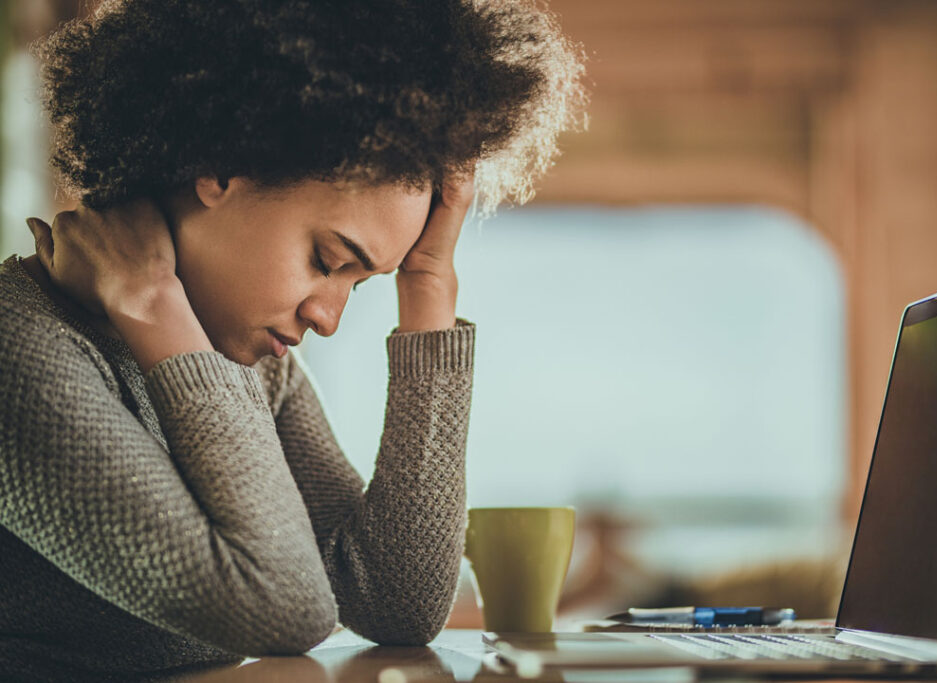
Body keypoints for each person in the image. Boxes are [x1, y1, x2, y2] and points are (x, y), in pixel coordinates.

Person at [0, 0, 586, 679]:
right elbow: (286, 609)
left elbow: (398, 600)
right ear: (221, 165)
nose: (329, 318)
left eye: (362, 282)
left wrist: (428, 285)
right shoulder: (19, 348)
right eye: (328, 259)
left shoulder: (241, 358)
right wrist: (152, 303)